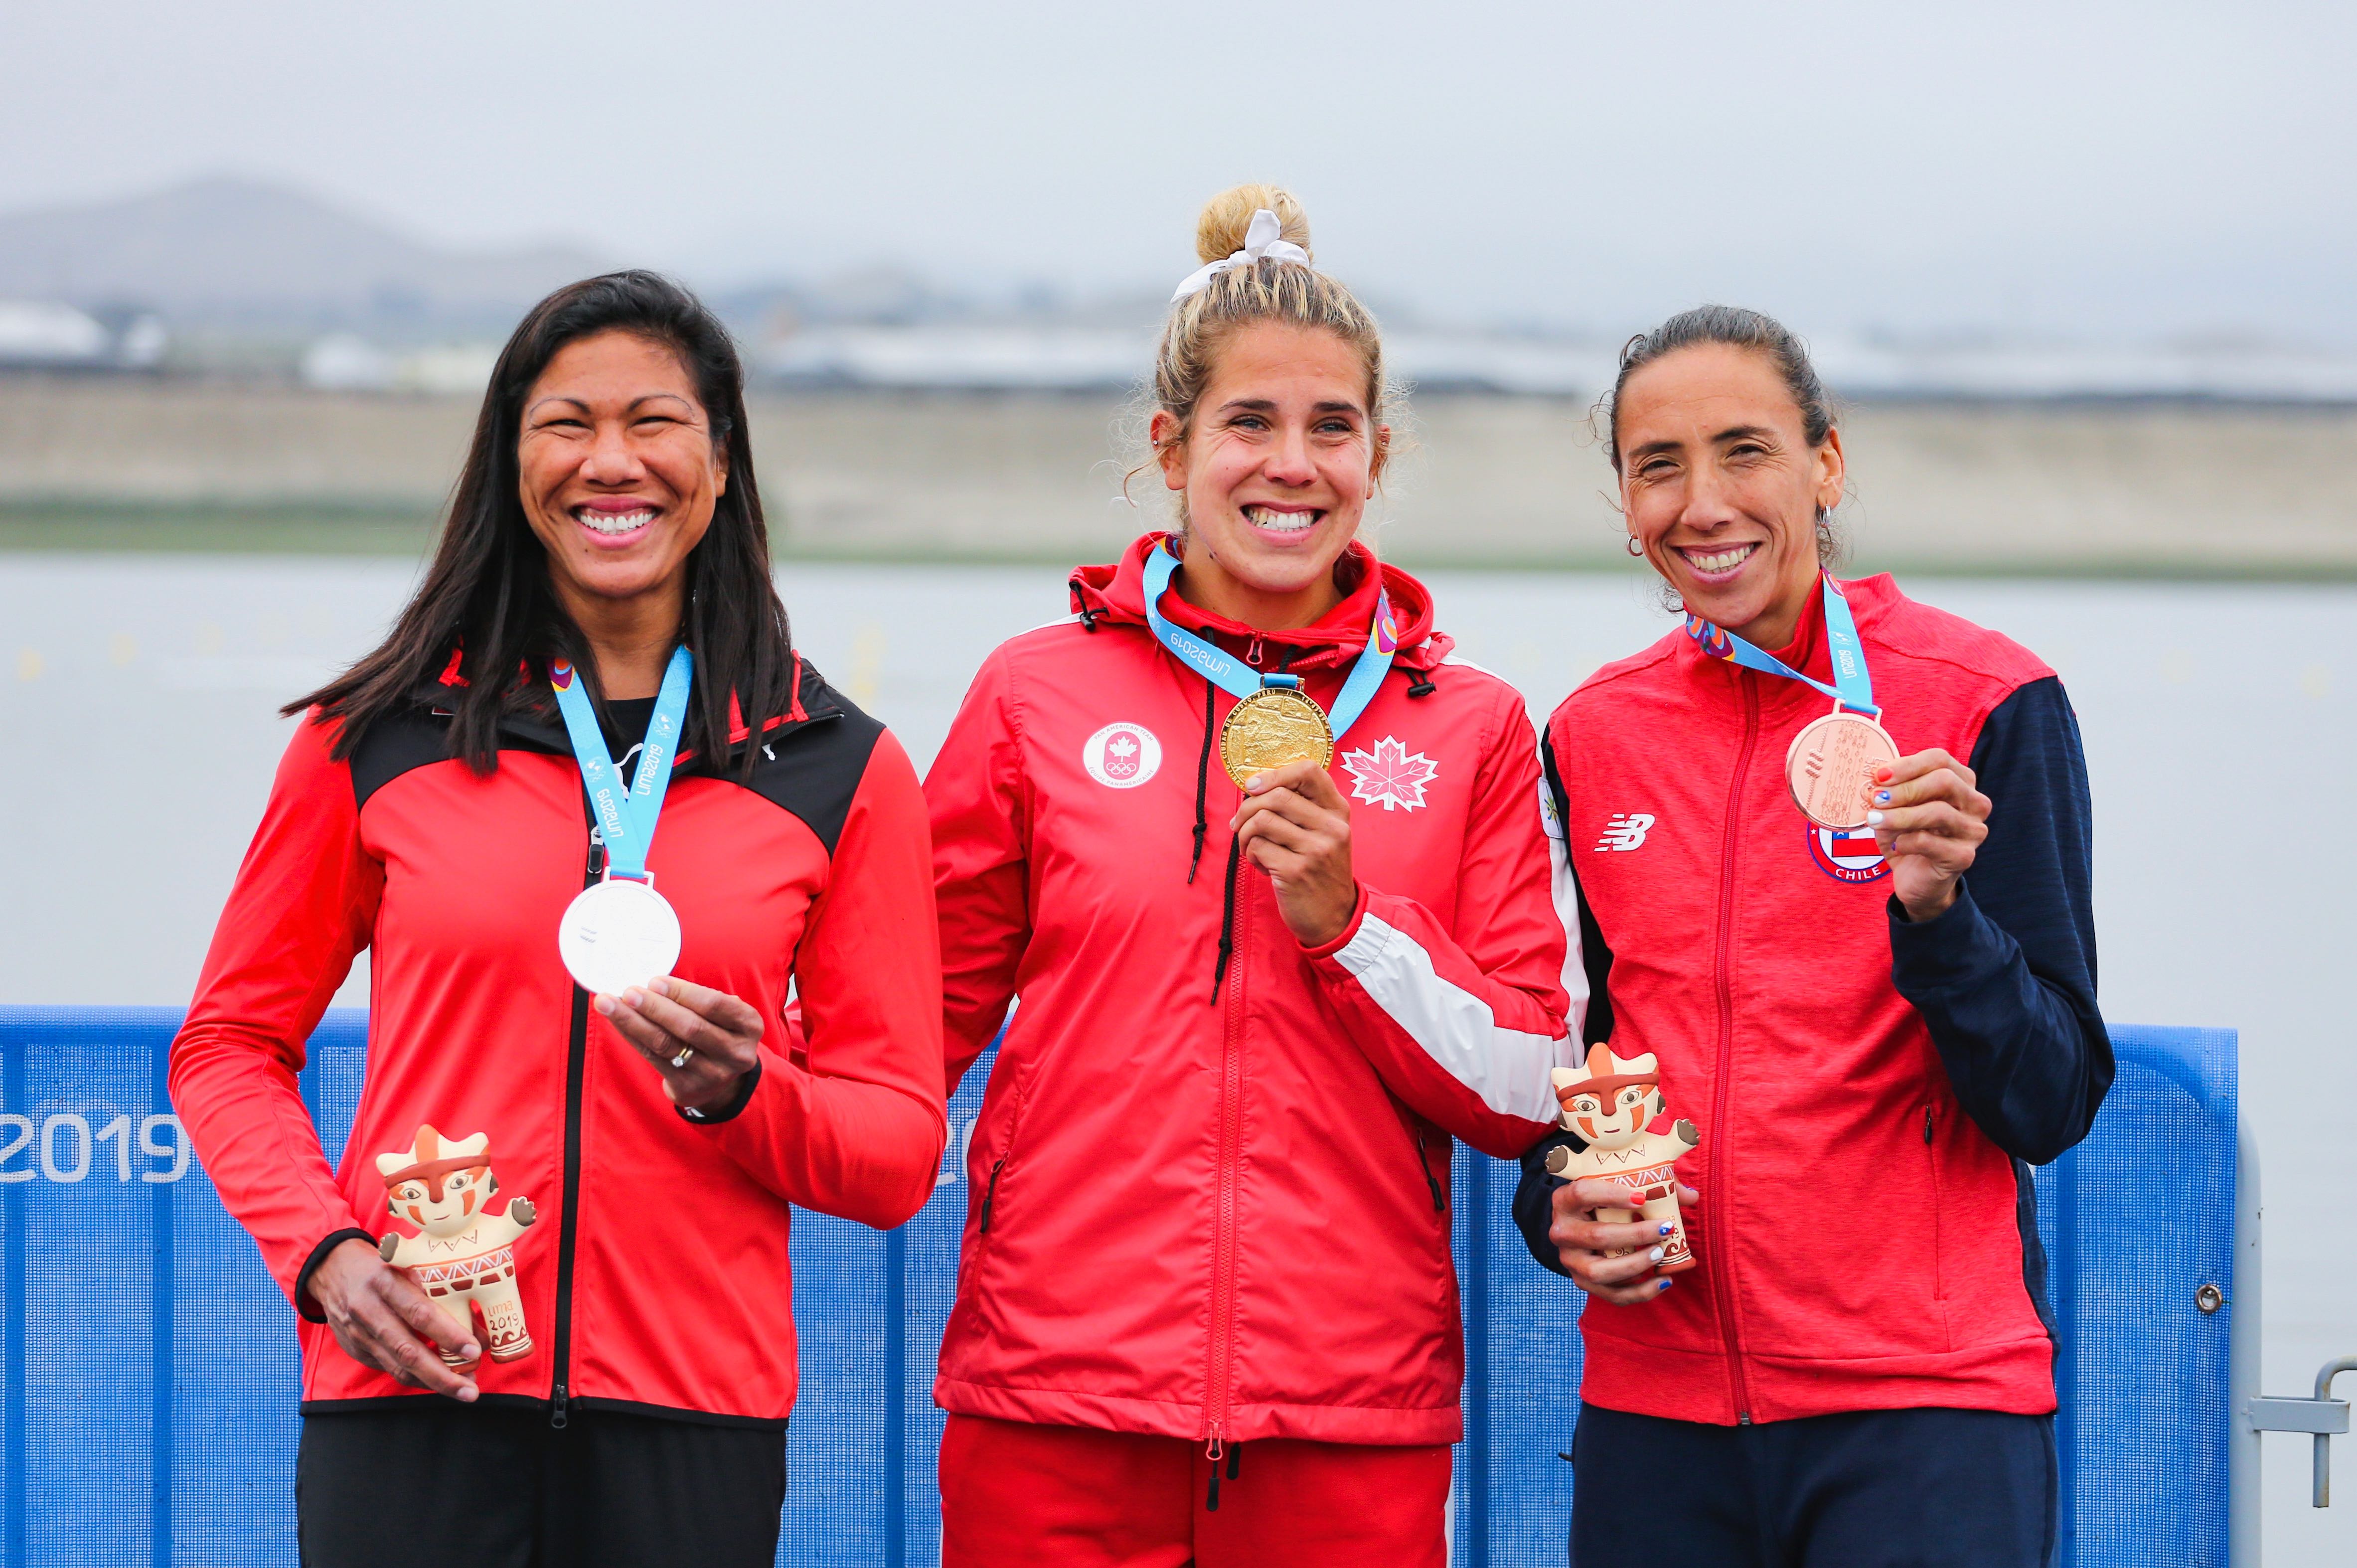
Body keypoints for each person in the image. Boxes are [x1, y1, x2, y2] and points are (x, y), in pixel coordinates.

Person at [169, 272, 945, 1568]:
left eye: (655, 421)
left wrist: (749, 1093)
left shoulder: (837, 765)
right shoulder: (377, 736)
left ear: (719, 462)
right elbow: (228, 1046)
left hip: (692, 1420)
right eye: (566, 423)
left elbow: (897, 1151)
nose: (611, 462)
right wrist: (325, 1256)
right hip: (411, 1386)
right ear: (512, 460)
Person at [924, 185, 1575, 1567]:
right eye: (1249, 423)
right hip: (1056, 1396)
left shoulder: (1470, 725)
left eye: (1331, 427)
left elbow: (1528, 1086)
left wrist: (1350, 927)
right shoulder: (1032, 694)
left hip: (1347, 1416)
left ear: (1376, 454)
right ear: (1172, 447)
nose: (1292, 464)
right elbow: (905, 1029)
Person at [1515, 306, 2111, 1566]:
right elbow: (1592, 1051)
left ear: (1825, 463)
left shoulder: (1984, 700)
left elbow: (2052, 1097)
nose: (1702, 504)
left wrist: (1939, 915)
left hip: (1921, 1409)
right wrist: (1560, 1196)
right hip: (1656, 1411)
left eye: (1745, 451)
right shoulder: (1592, 733)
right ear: (1624, 502)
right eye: (1658, 466)